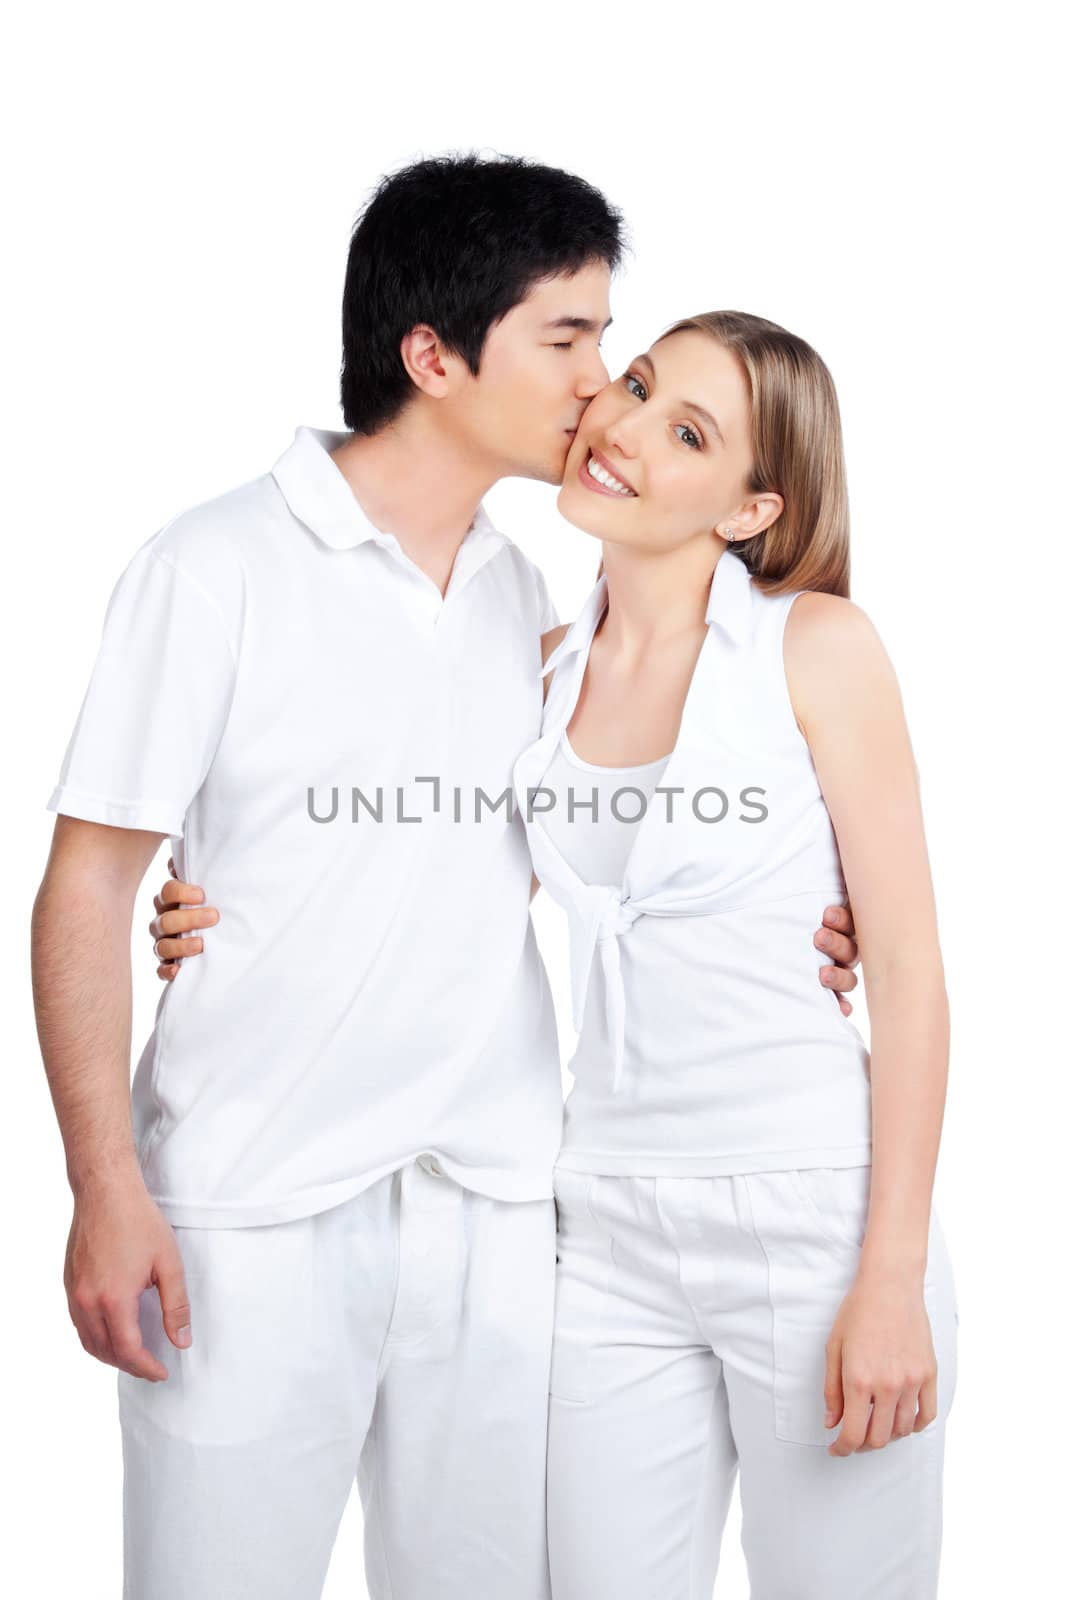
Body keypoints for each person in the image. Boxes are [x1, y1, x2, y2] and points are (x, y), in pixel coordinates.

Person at [32, 156, 861, 1600]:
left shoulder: (522, 596)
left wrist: (790, 913)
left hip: (495, 1212)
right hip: (247, 1208)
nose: (597, 387)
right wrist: (105, 1187)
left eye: (609, 344)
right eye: (568, 340)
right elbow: (86, 887)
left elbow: (564, 841)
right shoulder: (211, 565)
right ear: (431, 354)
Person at [516, 311, 957, 1598]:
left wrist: (887, 1277)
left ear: (750, 506)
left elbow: (914, 974)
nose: (622, 429)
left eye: (686, 431)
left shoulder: (816, 649)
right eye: (638, 386)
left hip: (809, 1219)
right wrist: (213, 910)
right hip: (598, 1225)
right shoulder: (538, 672)